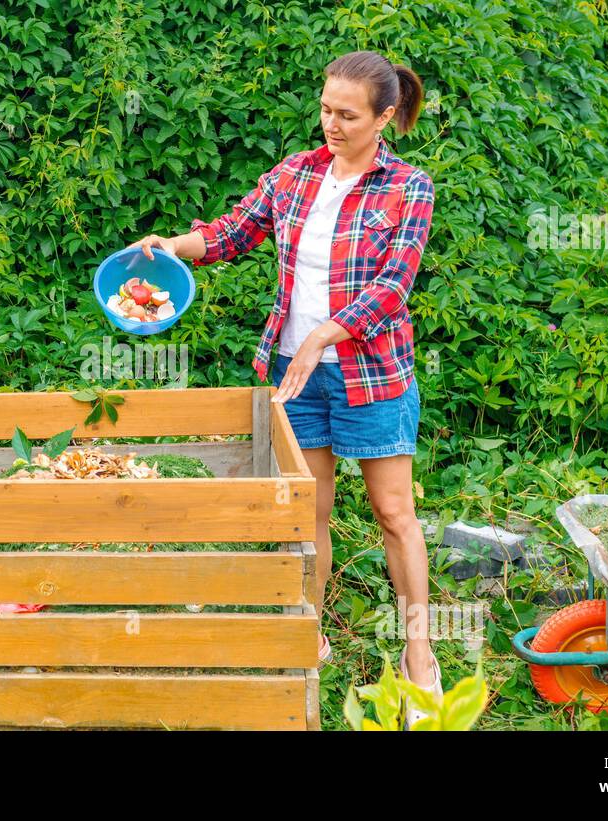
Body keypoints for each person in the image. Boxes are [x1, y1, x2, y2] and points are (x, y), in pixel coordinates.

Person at [128, 50, 440, 728]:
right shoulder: (295, 174)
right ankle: (308, 633)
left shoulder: (409, 187)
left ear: (384, 117)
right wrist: (173, 246)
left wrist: (325, 334)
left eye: (348, 115)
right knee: (309, 513)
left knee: (394, 514)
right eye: (326, 109)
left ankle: (420, 652)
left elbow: (393, 287)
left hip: (372, 372)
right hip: (296, 374)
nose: (331, 124)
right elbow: (230, 233)